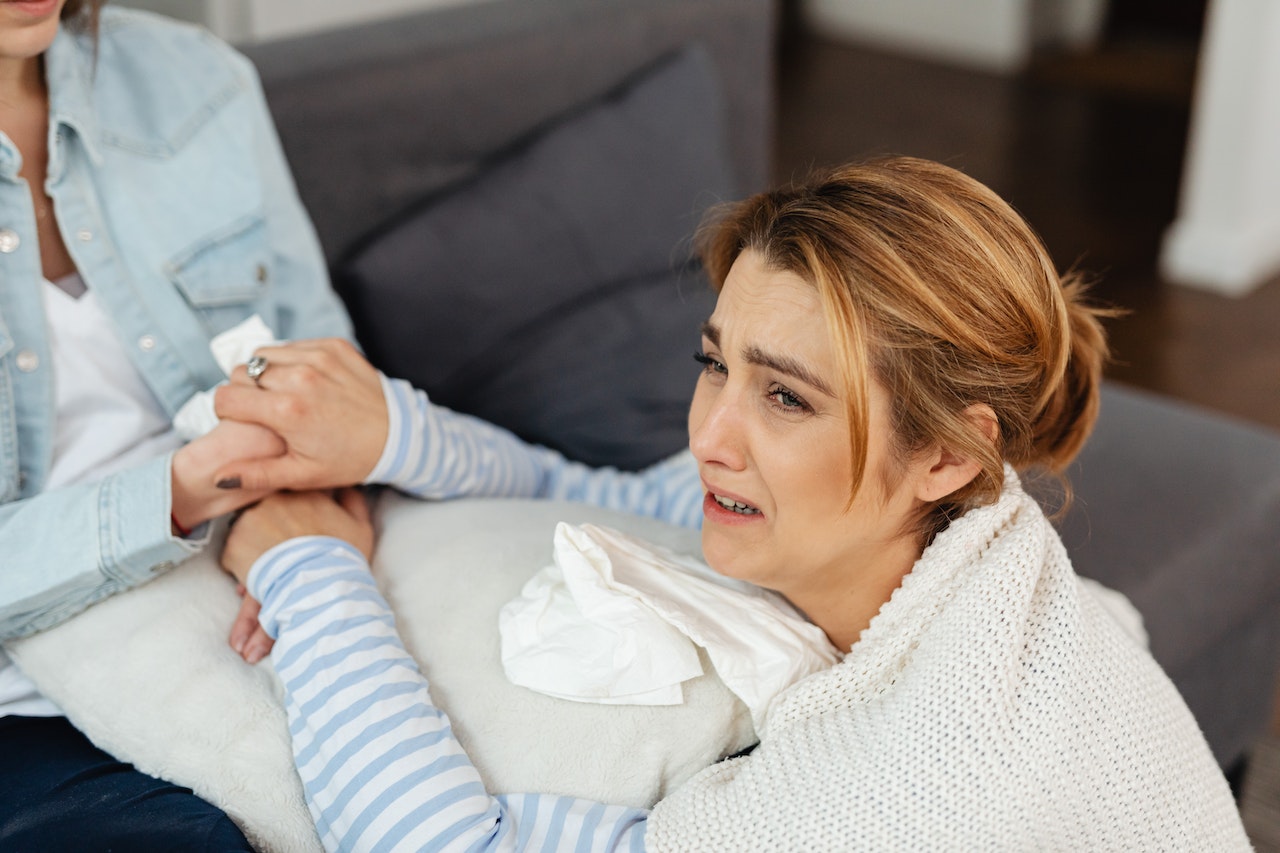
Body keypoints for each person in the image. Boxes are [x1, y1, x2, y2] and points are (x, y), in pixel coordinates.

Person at [214, 157, 1251, 850]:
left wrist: (308, 567)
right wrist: (391, 437)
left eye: (786, 395)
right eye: (715, 364)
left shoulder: (917, 793)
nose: (709, 434)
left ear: (942, 452)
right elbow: (608, 496)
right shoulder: (934, 541)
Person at [0, 1, 351, 848]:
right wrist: (181, 491)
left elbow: (327, 360)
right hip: (23, 714)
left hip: (250, 584)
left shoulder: (197, 80)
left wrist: (326, 518)